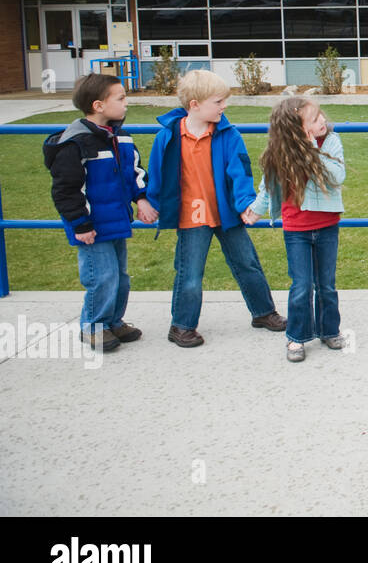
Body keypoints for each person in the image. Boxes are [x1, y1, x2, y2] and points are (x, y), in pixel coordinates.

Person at [146, 69, 287, 347]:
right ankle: (182, 326)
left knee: (247, 264)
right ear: (195, 105)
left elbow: (240, 172)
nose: (224, 107)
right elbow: (157, 173)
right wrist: (151, 203)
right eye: (218, 102)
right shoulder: (167, 137)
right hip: (190, 218)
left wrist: (246, 205)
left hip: (226, 214)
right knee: (190, 273)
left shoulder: (228, 134)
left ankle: (263, 313)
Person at [44, 73, 158, 352]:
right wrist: (81, 224)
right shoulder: (75, 144)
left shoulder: (122, 138)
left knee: (119, 276)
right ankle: (93, 326)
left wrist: (141, 199)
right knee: (101, 276)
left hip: (115, 222)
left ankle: (113, 321)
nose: (126, 103)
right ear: (98, 105)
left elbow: (135, 173)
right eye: (120, 98)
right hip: (91, 227)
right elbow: (66, 190)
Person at [245, 97, 347, 363]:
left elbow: (336, 176)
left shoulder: (331, 142)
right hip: (296, 230)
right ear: (295, 129)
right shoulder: (281, 152)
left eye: (320, 115)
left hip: (326, 227)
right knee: (301, 285)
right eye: (314, 120)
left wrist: (311, 147)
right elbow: (268, 185)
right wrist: (256, 210)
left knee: (326, 284)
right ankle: (296, 336)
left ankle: (329, 330)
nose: (322, 121)